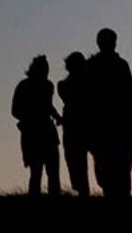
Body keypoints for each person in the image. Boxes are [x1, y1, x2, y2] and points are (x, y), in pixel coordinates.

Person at [88, 28, 132, 197]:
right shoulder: (97, 65)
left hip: (117, 121)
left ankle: (118, 193)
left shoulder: (116, 64)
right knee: (112, 162)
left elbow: (130, 90)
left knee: (120, 162)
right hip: (108, 122)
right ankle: (114, 193)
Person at [13, 56, 62, 196]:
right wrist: (30, 118)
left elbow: (48, 106)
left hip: (45, 132)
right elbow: (15, 110)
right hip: (33, 133)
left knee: (50, 172)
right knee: (37, 172)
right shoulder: (25, 86)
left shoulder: (47, 85)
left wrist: (57, 116)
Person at [57, 51, 93, 196]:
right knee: (75, 161)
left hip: (79, 126)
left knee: (76, 161)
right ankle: (82, 189)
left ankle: (83, 189)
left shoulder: (65, 85)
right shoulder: (66, 85)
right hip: (78, 126)